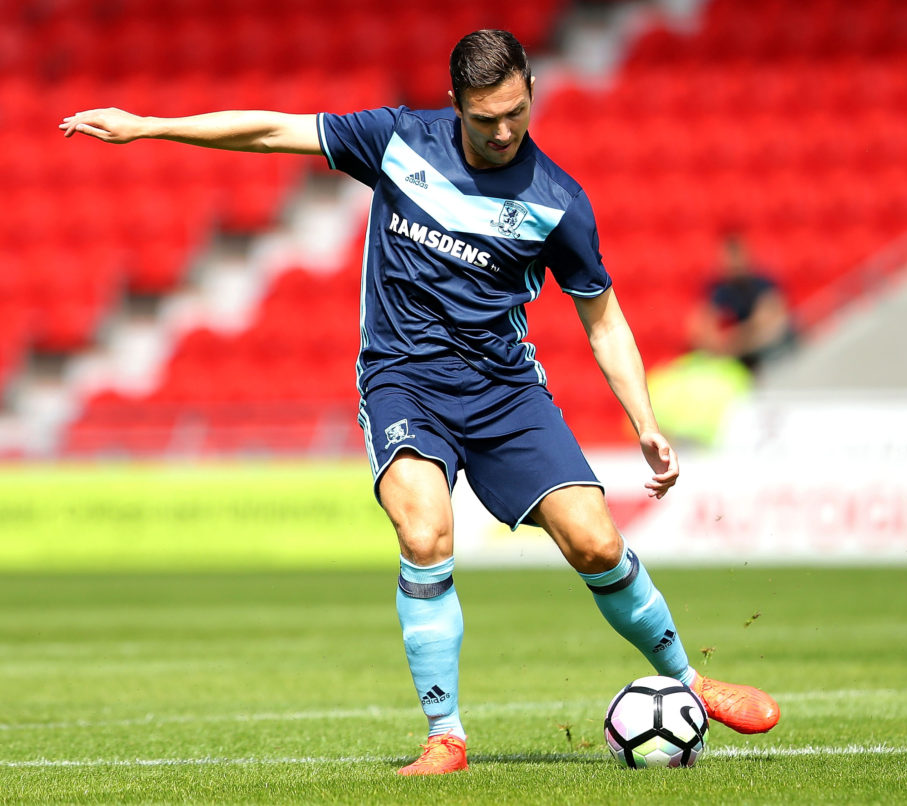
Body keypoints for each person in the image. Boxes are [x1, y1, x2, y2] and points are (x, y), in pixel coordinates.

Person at [61, 30, 779, 775]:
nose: (503, 132)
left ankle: (689, 680)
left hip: (504, 391)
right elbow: (275, 130)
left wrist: (646, 425)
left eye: (515, 112)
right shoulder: (397, 140)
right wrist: (150, 126)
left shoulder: (559, 203)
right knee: (426, 531)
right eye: (484, 118)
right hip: (404, 380)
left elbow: (602, 317)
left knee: (595, 541)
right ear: (453, 104)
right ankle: (447, 736)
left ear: (531, 87)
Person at [689, 231, 797, 374]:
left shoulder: (764, 285)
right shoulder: (717, 289)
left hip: (762, 354)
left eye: (736, 255)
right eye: (728, 256)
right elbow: (700, 328)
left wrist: (730, 344)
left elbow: (769, 326)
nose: (733, 262)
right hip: (737, 353)